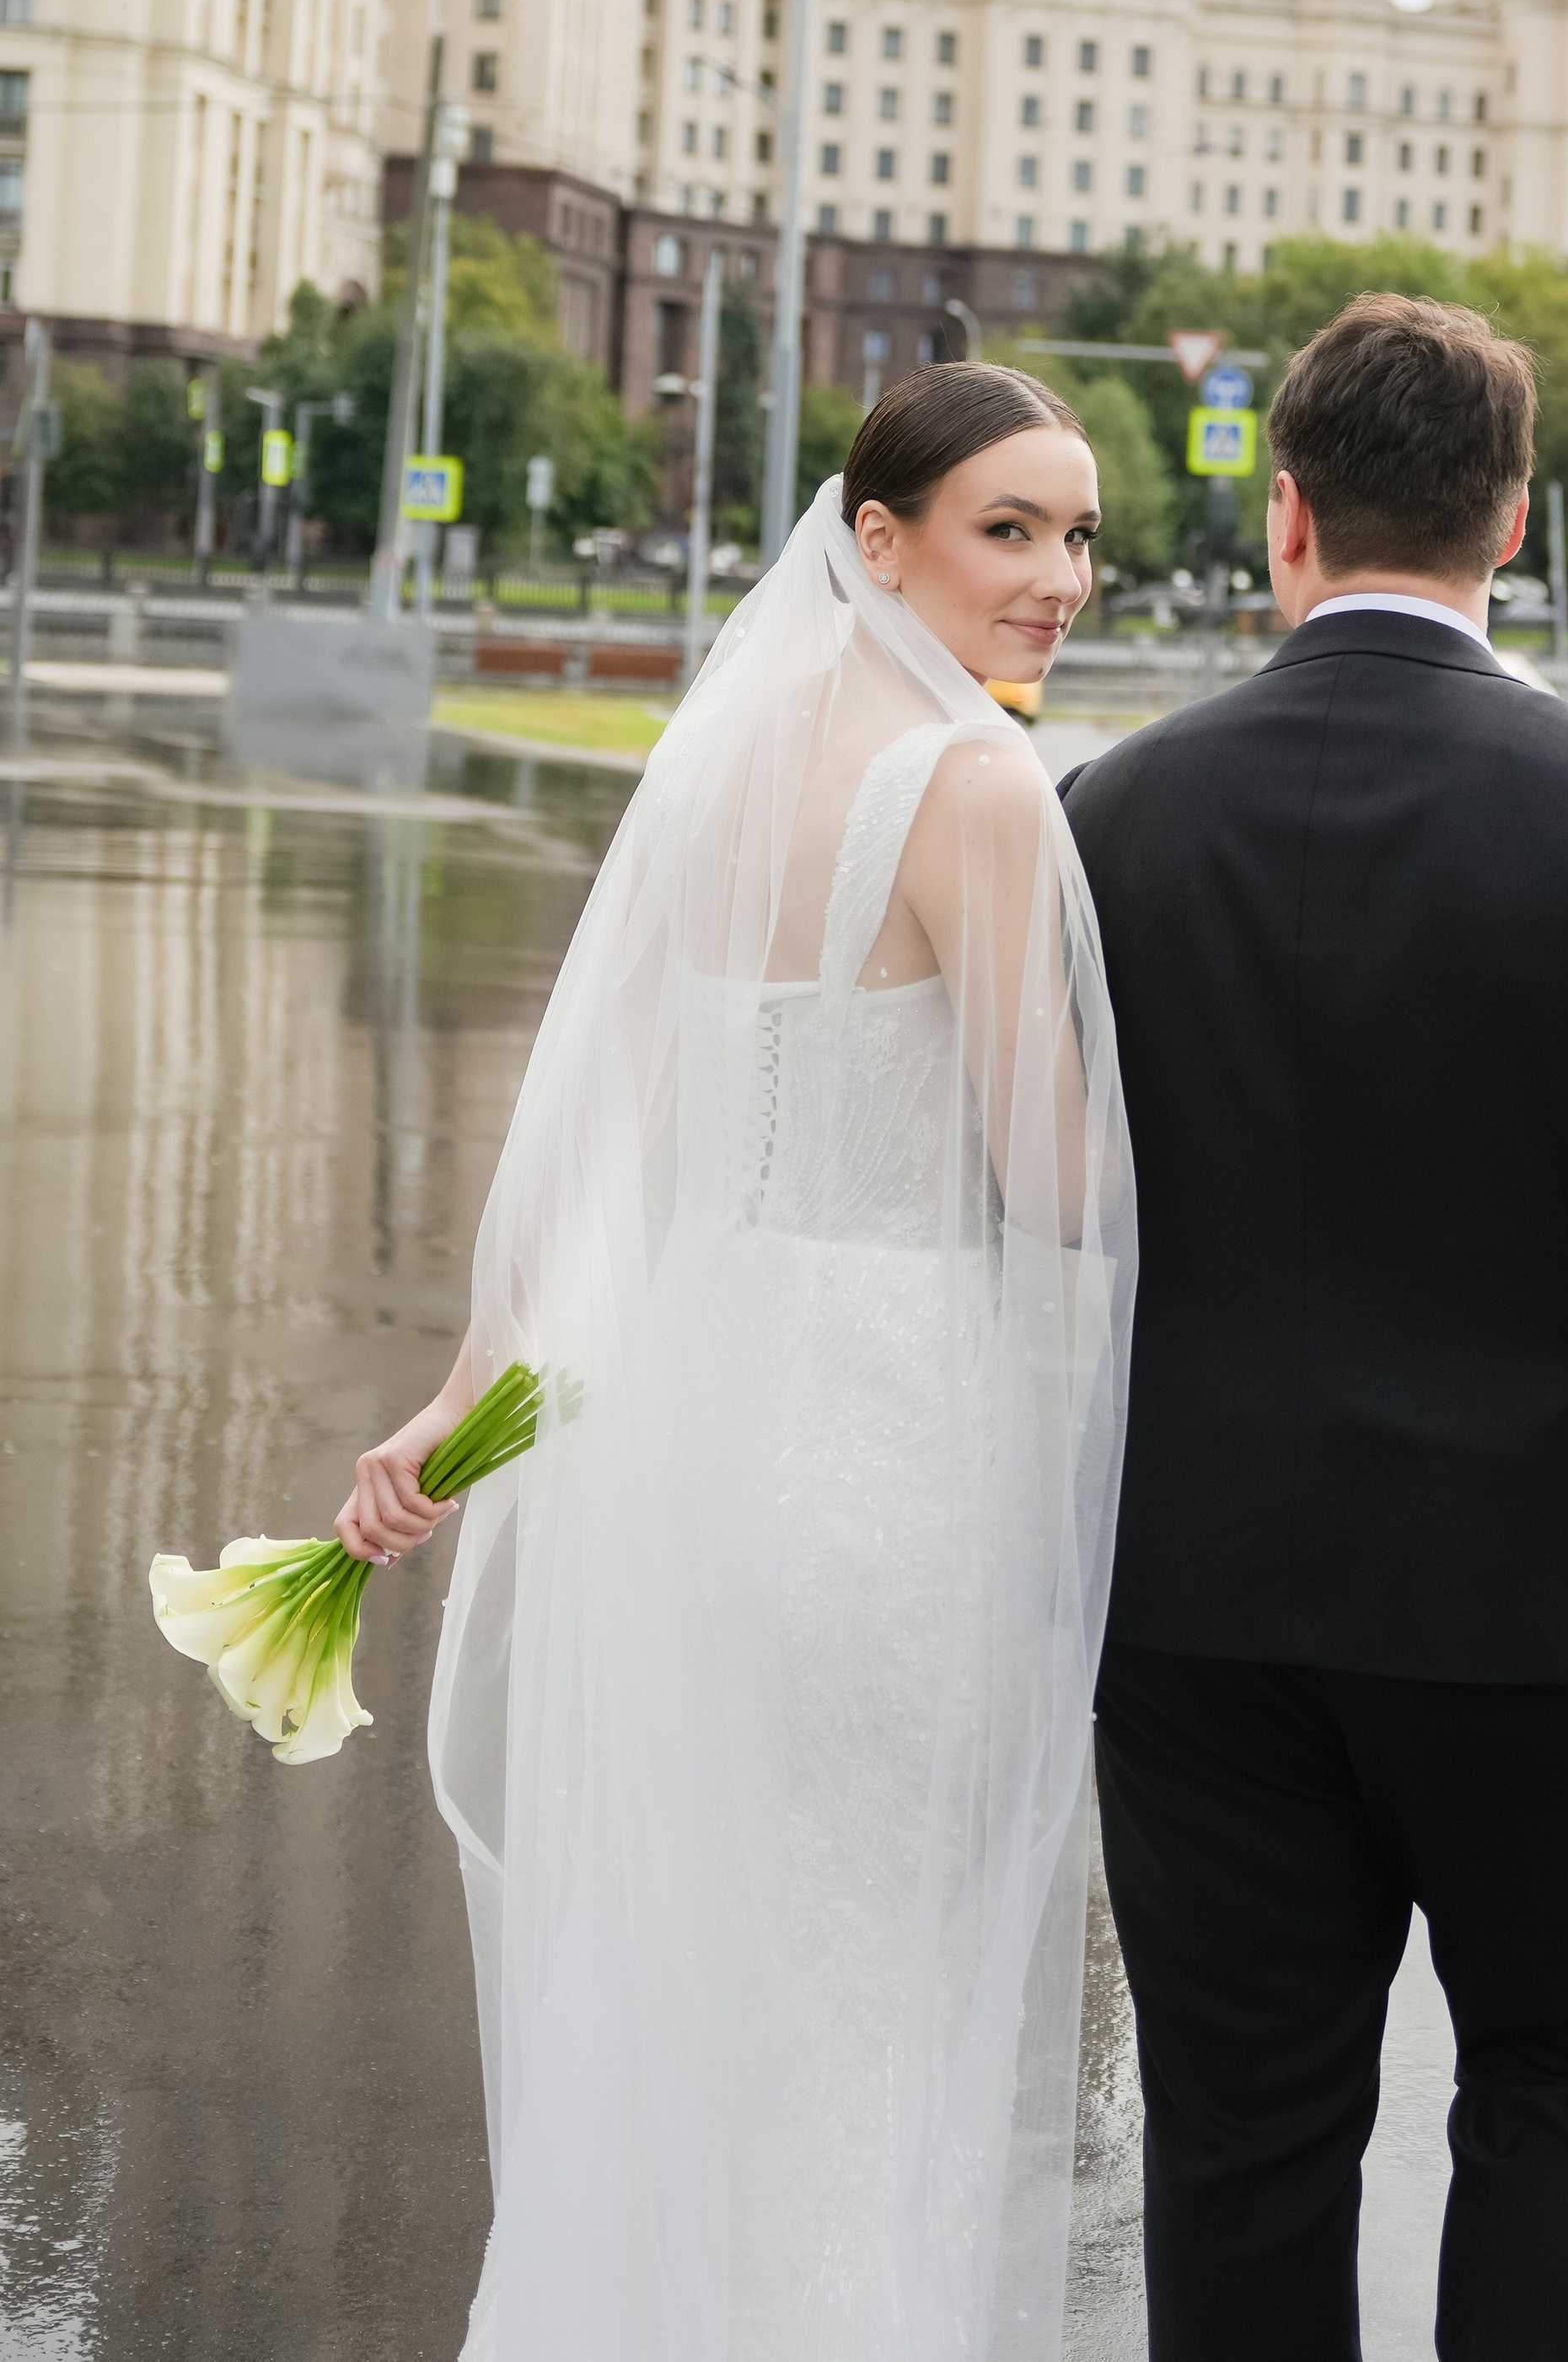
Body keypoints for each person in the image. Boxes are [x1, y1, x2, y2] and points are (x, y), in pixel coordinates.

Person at [1058, 294, 1568, 2362]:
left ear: (1281, 512)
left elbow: (1033, 1220)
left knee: (1237, 2136)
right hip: (1548, 1601)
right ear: (1512, 521)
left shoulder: (1108, 819)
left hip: (1197, 1603)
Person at [338, 366, 1135, 2362]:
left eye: (1081, 533)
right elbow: (1055, 1179)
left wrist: (468, 1388)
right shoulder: (974, 787)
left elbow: (588, 1128)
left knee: (703, 1958)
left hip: (693, 1407)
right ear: (879, 540)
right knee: (862, 1981)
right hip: (885, 1433)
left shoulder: (721, 756)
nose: (1060, 576)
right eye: (1008, 530)